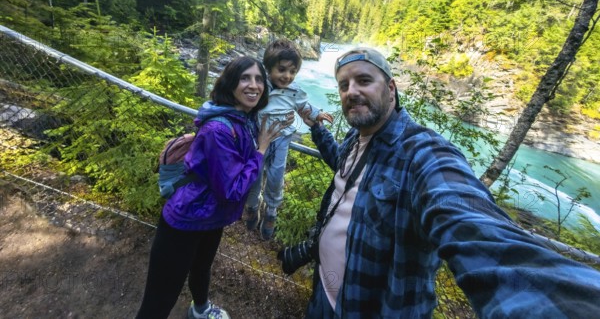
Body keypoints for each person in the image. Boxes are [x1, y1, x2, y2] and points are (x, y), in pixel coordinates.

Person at [297, 47, 600, 318]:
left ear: (391, 88)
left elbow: (471, 221)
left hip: (366, 307)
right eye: (344, 85)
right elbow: (343, 167)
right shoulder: (356, 136)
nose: (351, 91)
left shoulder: (421, 152)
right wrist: (316, 128)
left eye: (363, 81)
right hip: (326, 289)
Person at [136, 56, 290, 319]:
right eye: (245, 78)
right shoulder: (220, 128)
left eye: (259, 79)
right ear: (230, 83)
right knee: (158, 301)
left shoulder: (242, 118)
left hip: (209, 214)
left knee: (201, 267)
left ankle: (200, 309)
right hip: (186, 220)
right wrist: (261, 149)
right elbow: (232, 189)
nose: (254, 85)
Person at [244, 39, 333, 240]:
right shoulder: (260, 86)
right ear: (268, 68)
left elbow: (304, 107)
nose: (287, 76)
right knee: (254, 174)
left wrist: (317, 114)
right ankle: (252, 206)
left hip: (282, 139)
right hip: (258, 139)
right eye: (282, 70)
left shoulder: (295, 91)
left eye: (292, 71)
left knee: (276, 176)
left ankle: (271, 211)